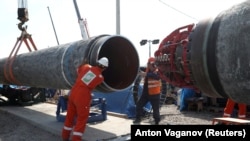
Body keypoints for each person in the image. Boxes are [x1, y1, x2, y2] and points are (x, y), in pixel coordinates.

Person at [61, 57, 109, 141]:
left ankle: (65, 136)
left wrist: (83, 64)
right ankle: (76, 139)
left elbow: (79, 70)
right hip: (83, 96)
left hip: (74, 92)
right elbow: (95, 79)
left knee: (70, 116)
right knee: (82, 118)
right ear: (105, 68)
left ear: (97, 63)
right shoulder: (100, 77)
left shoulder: (86, 67)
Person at [133, 57, 161, 125]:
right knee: (139, 105)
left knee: (156, 111)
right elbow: (141, 71)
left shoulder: (157, 71)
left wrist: (145, 74)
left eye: (151, 64)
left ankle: (157, 122)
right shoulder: (147, 70)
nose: (149, 65)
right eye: (149, 64)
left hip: (155, 94)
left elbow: (157, 76)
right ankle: (138, 118)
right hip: (146, 94)